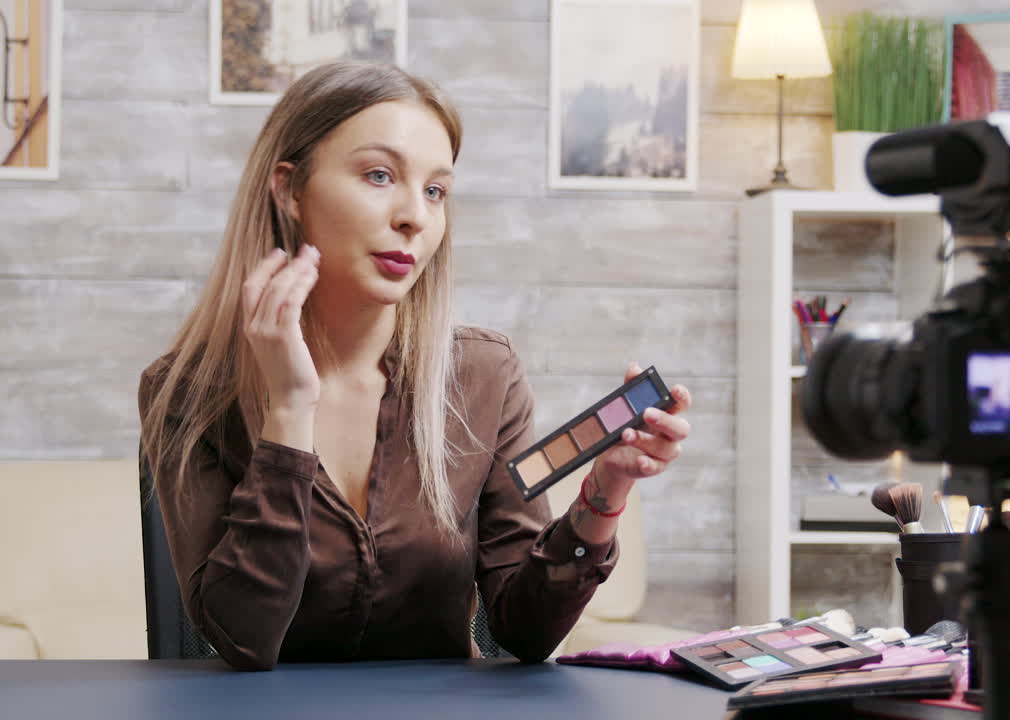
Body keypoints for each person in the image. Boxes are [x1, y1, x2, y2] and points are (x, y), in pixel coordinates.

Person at [137, 61, 693, 671]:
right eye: (379, 175)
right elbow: (242, 640)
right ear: (289, 190)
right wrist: (289, 410)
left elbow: (524, 632)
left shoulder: (484, 374)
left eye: (436, 191)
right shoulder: (188, 392)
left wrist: (604, 495)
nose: (416, 217)